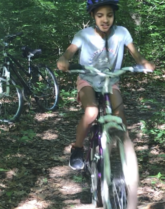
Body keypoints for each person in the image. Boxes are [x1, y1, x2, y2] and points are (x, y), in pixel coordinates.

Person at [57, 0, 155, 170]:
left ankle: (126, 153)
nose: (105, 20)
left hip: (111, 81)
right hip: (88, 79)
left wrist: (145, 63)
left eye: (109, 15)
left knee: (120, 115)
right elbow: (68, 53)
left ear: (114, 16)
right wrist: (63, 61)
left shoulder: (121, 33)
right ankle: (78, 148)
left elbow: (136, 55)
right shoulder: (83, 35)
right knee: (92, 112)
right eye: (100, 15)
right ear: (92, 16)